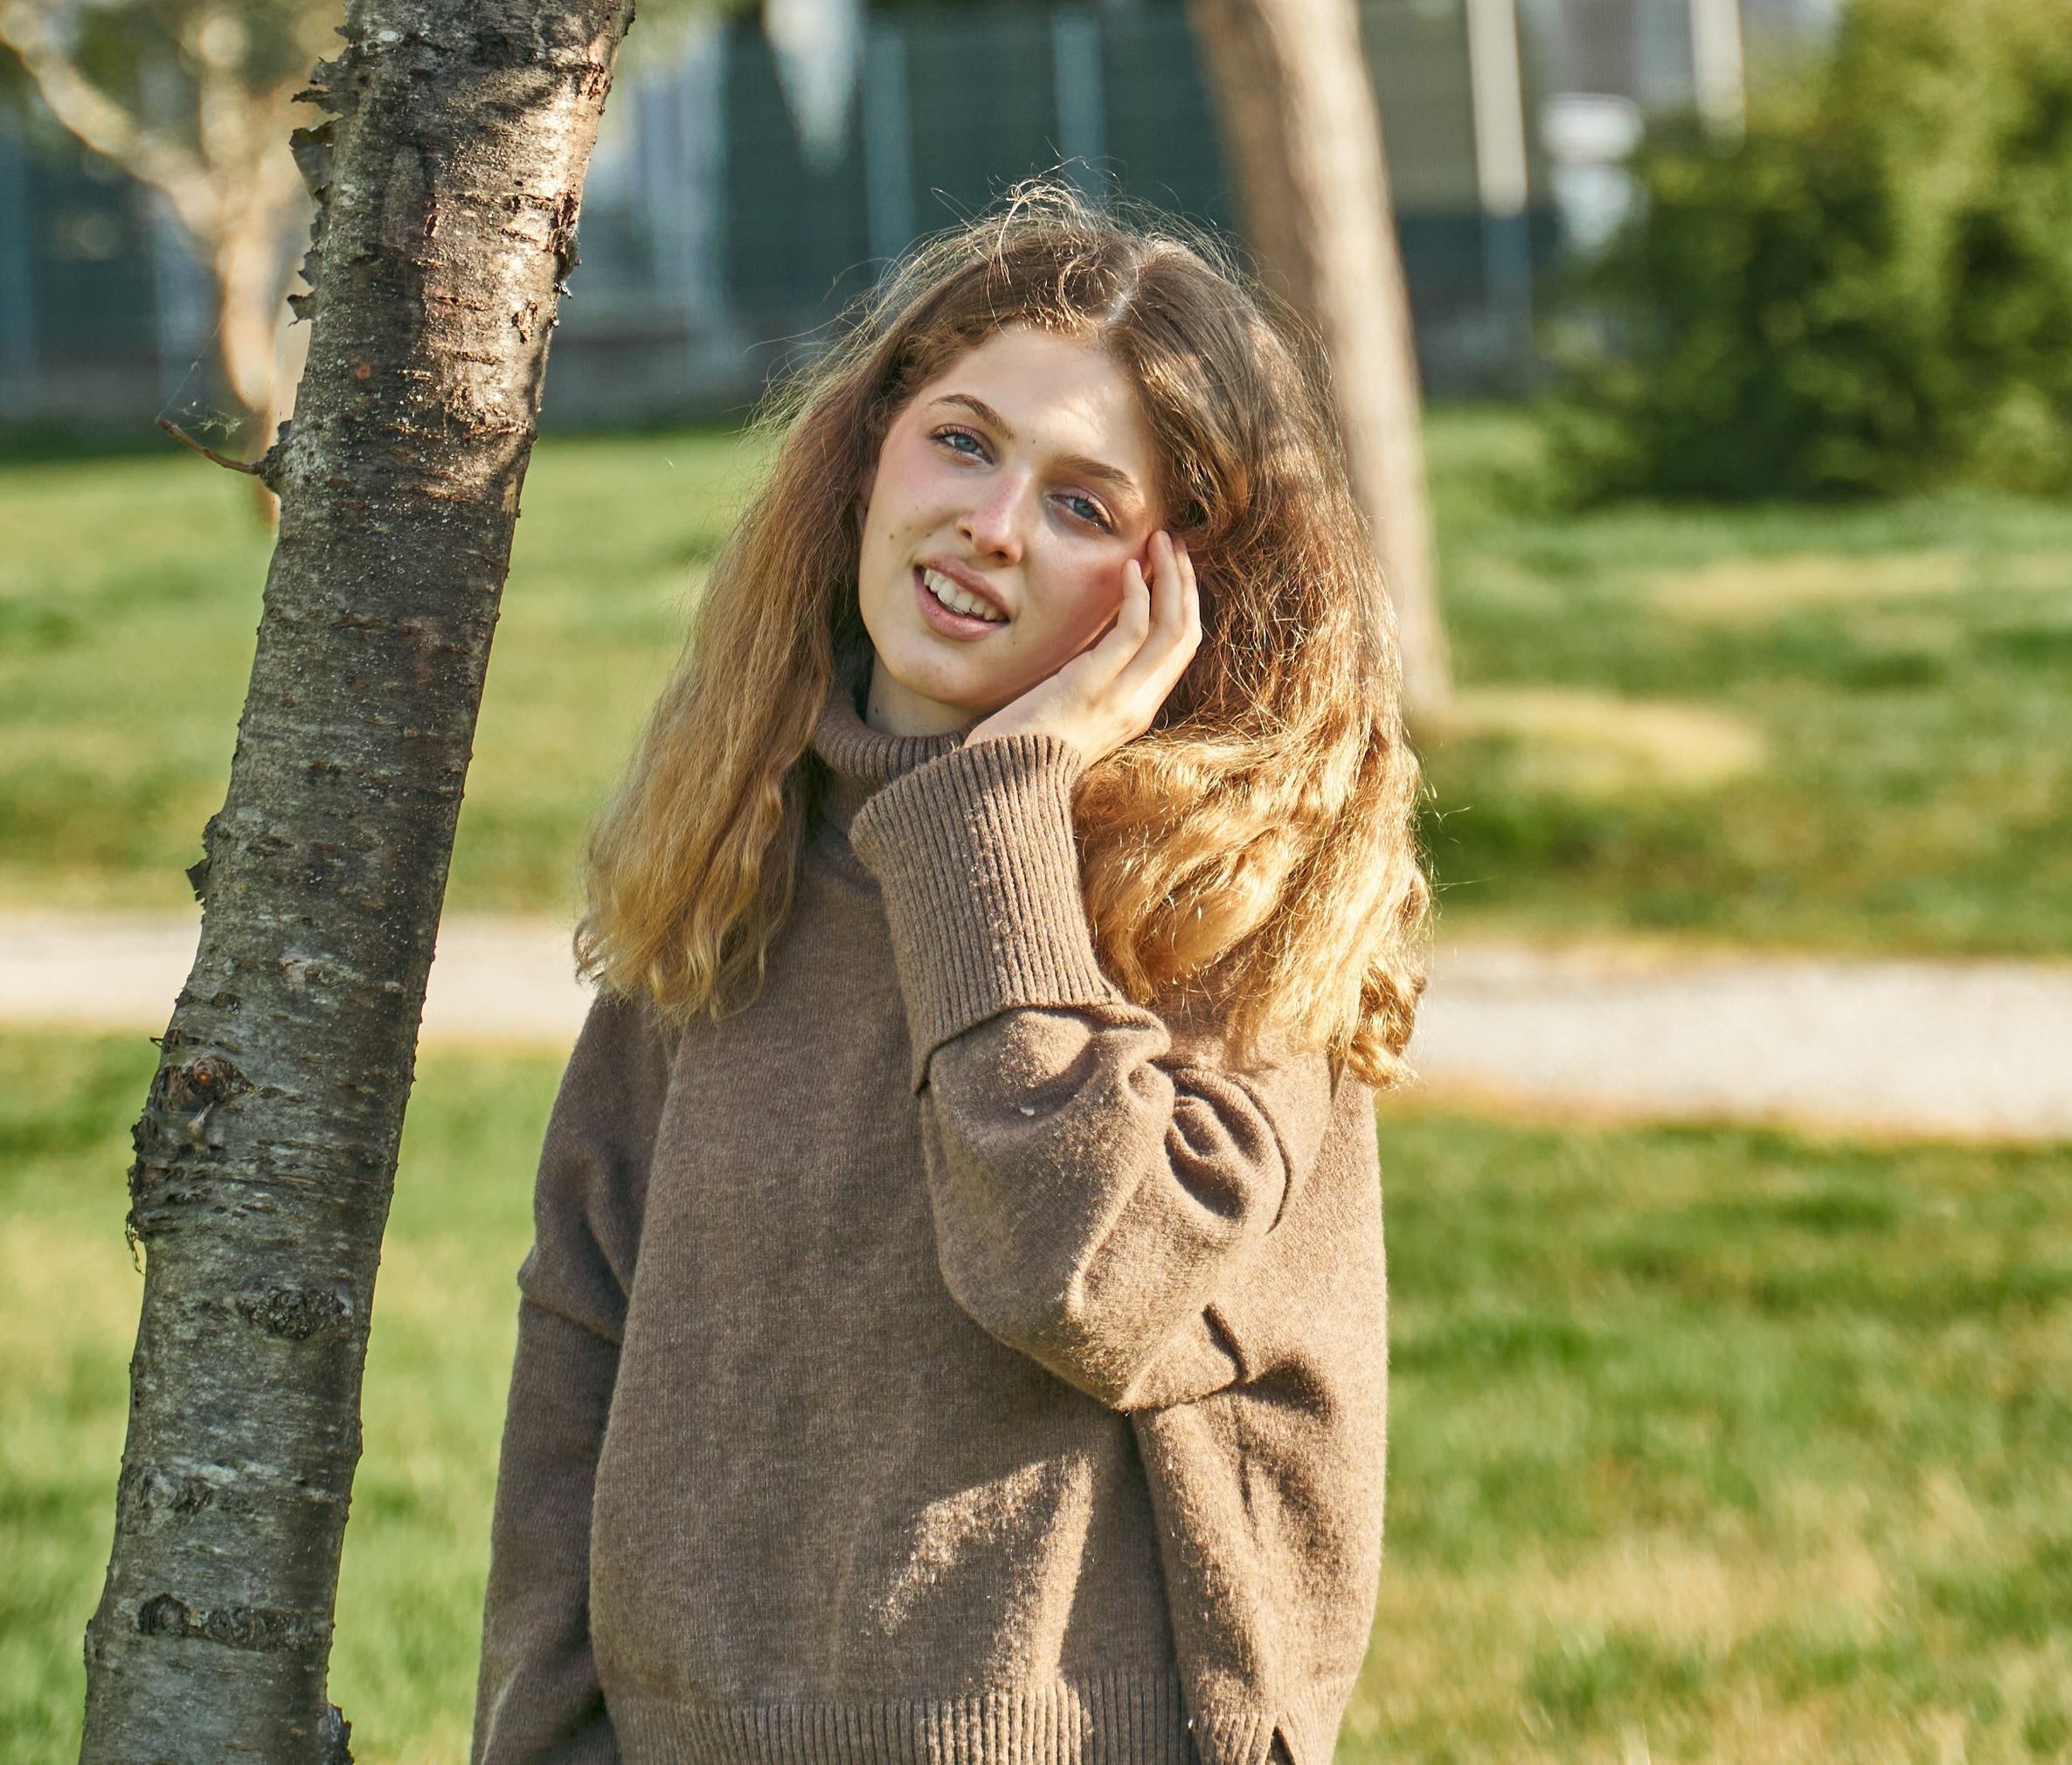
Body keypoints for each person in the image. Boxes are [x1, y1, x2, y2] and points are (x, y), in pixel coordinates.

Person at [474, 185, 1428, 1765]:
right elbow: (583, 1336)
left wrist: (998, 814)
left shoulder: (1224, 909)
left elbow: (1088, 1280)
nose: (992, 523)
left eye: (1083, 505)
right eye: (964, 443)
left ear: (1179, 583)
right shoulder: (736, 851)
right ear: (869, 458)